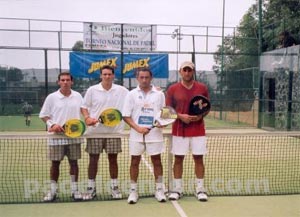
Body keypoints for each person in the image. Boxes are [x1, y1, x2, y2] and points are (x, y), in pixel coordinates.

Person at [81, 65, 129, 200]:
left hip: (114, 132)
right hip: (95, 132)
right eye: (105, 74)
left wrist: (155, 89)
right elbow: (84, 107)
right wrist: (87, 118)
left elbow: (135, 95)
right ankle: (91, 189)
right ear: (101, 76)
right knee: (93, 160)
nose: (107, 76)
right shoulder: (92, 90)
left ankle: (114, 187)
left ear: (113, 76)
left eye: (109, 74)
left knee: (113, 160)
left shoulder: (122, 90)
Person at [166, 61, 209, 202]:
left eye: (189, 70)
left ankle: (200, 190)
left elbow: (206, 107)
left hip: (198, 130)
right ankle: (177, 190)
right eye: (184, 70)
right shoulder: (172, 89)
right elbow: (167, 111)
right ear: (180, 71)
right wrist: (180, 116)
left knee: (198, 159)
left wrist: (200, 116)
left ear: (193, 71)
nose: (187, 73)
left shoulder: (202, 88)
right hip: (179, 131)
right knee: (178, 159)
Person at [122, 67, 166, 204]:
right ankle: (133, 191)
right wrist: (138, 128)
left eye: (147, 77)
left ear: (151, 78)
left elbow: (164, 113)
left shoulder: (159, 94)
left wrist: (162, 123)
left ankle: (159, 190)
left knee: (157, 161)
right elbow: (126, 115)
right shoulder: (131, 94)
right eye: (141, 77)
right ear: (137, 78)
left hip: (155, 134)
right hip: (136, 135)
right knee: (134, 162)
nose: (144, 80)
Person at [39, 72, 83, 202]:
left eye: (68, 80)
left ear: (72, 82)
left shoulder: (78, 96)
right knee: (55, 163)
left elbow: (85, 110)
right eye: (62, 80)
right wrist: (52, 125)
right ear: (58, 82)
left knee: (74, 163)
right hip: (56, 137)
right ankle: (53, 191)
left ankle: (75, 191)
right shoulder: (52, 97)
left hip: (74, 137)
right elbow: (44, 115)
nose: (65, 82)